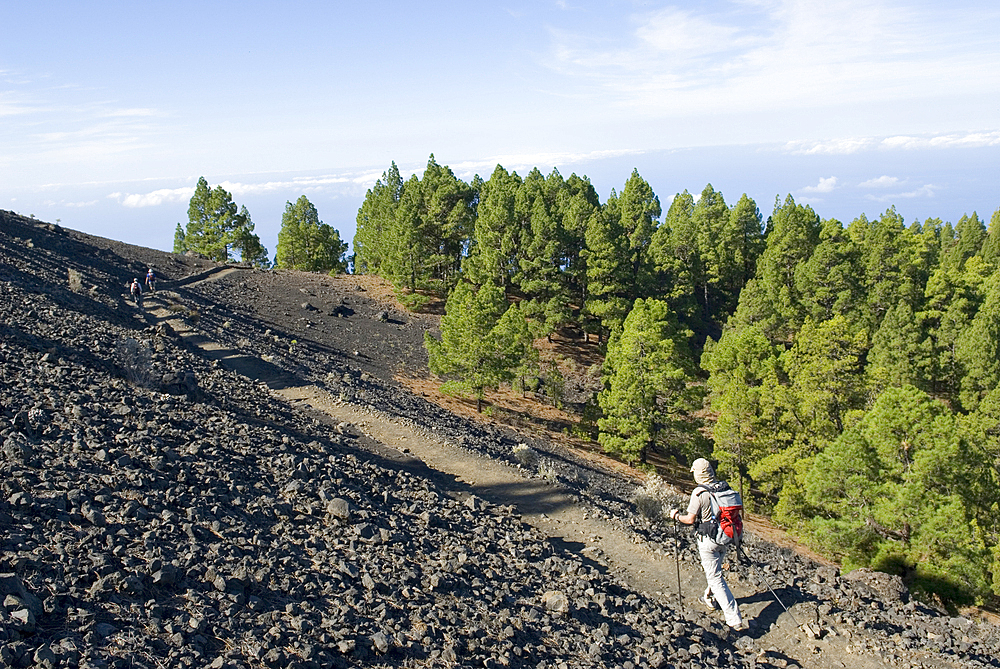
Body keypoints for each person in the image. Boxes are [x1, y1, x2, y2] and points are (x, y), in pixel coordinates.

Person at [669, 458, 745, 631]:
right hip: (725, 537)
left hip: (708, 541)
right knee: (715, 571)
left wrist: (675, 516)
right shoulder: (723, 488)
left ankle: (734, 619)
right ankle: (708, 598)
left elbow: (689, 519)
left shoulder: (699, 493)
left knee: (715, 577)